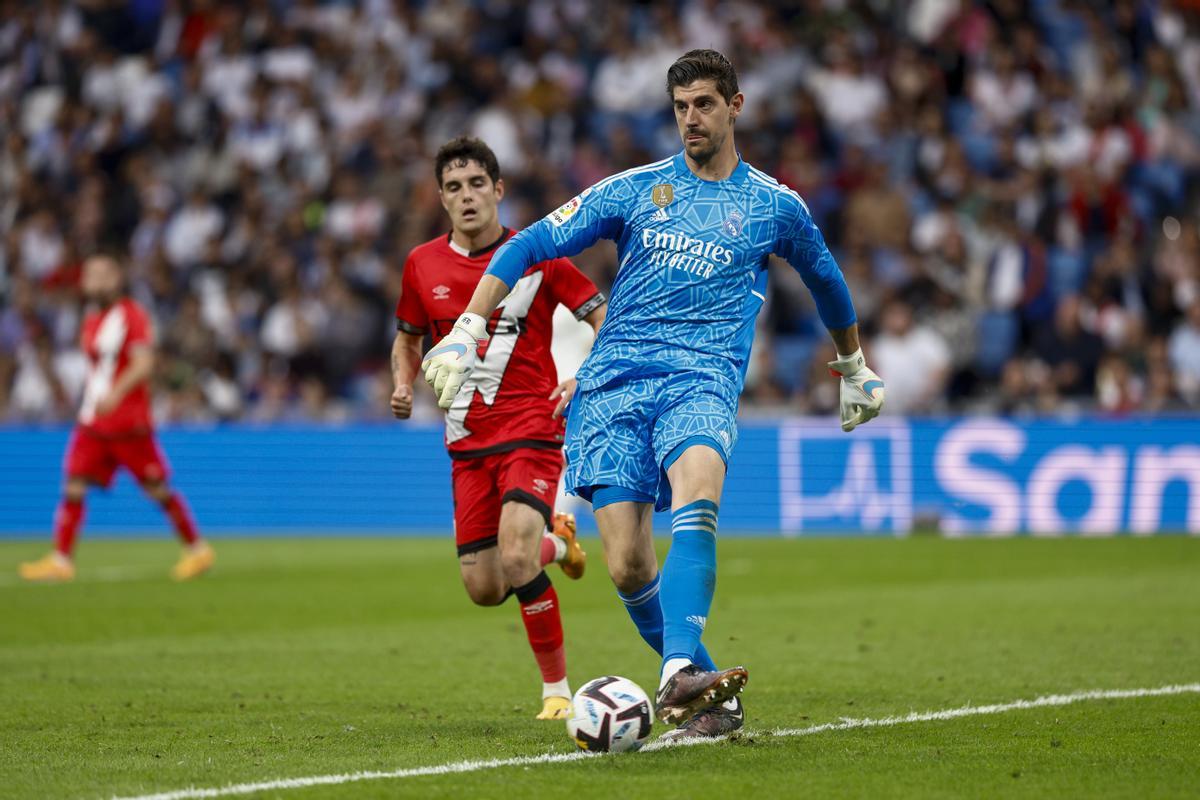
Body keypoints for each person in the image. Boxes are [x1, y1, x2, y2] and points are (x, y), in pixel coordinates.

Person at [421, 51, 885, 739]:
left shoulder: (773, 205)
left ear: (737, 106)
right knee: (630, 563)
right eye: (680, 107)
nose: (690, 118)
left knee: (699, 490)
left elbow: (826, 281)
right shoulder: (634, 189)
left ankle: (673, 677)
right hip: (611, 388)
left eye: (703, 104)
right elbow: (532, 246)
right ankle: (704, 692)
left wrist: (854, 364)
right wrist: (467, 326)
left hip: (701, 379)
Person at [390, 137, 607, 720]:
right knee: (485, 588)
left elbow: (599, 312)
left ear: (498, 190)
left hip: (532, 429)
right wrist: (404, 382)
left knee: (514, 558)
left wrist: (585, 374)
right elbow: (408, 339)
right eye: (454, 188)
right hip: (465, 443)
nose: (467, 197)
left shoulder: (536, 253)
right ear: (441, 198)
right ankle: (557, 542)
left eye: (477, 184)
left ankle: (557, 692)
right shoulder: (422, 264)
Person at [20, 254, 213, 582]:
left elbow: (143, 364)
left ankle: (197, 549)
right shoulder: (92, 318)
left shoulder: (132, 316)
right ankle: (61, 560)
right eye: (88, 275)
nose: (91, 281)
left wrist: (116, 394)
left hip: (127, 421)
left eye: (99, 275)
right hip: (93, 421)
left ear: (115, 278)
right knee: (74, 483)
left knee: (157, 488)